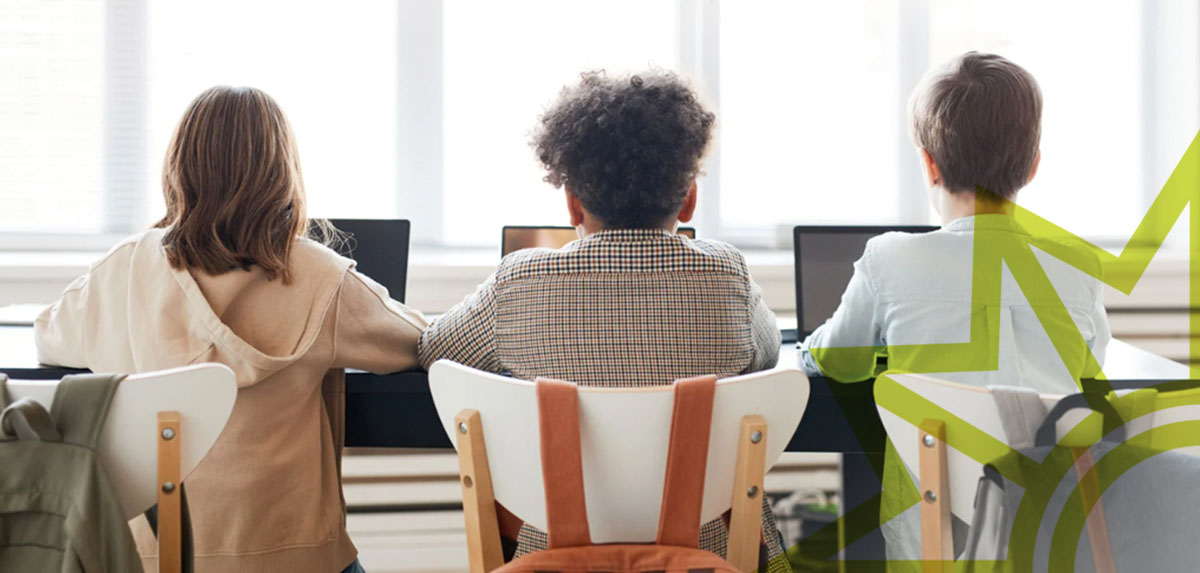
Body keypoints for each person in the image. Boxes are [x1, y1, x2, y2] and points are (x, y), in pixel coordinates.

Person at [35, 86, 425, 573]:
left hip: (145, 558)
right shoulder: (321, 277)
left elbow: (48, 333)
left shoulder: (126, 268)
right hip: (290, 557)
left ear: (180, 167)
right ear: (282, 169)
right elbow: (421, 341)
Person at [418, 70, 787, 571]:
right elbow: (765, 355)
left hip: (553, 554)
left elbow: (434, 352)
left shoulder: (519, 281)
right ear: (689, 198)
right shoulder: (726, 273)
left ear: (572, 202)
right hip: (705, 553)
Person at [799, 52, 1111, 565]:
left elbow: (840, 360)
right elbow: (1088, 367)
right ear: (1033, 166)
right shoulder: (1077, 265)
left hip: (929, 540)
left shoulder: (889, 259)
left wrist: (815, 349)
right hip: (1047, 532)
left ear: (929, 163)